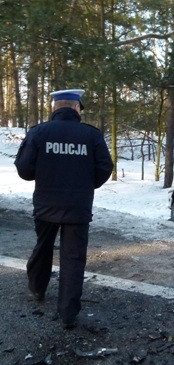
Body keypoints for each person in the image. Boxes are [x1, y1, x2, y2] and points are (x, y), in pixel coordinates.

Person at [15, 89, 113, 329]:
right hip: (77, 207)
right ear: (77, 108)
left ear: (54, 108)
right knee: (73, 258)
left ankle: (37, 289)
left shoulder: (38, 133)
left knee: (43, 246)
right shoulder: (91, 135)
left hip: (46, 205)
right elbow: (104, 168)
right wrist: (86, 184)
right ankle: (68, 314)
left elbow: (24, 170)